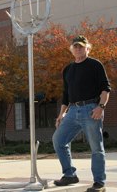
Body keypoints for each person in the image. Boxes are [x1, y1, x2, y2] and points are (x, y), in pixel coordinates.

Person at [52, 35, 110, 192]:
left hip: (91, 109)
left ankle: (99, 182)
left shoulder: (95, 65)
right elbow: (65, 94)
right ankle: (70, 174)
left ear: (87, 48)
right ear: (72, 50)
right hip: (72, 110)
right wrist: (61, 114)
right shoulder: (68, 69)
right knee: (59, 139)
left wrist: (101, 107)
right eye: (75, 47)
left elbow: (105, 88)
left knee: (96, 147)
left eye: (81, 46)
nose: (78, 49)